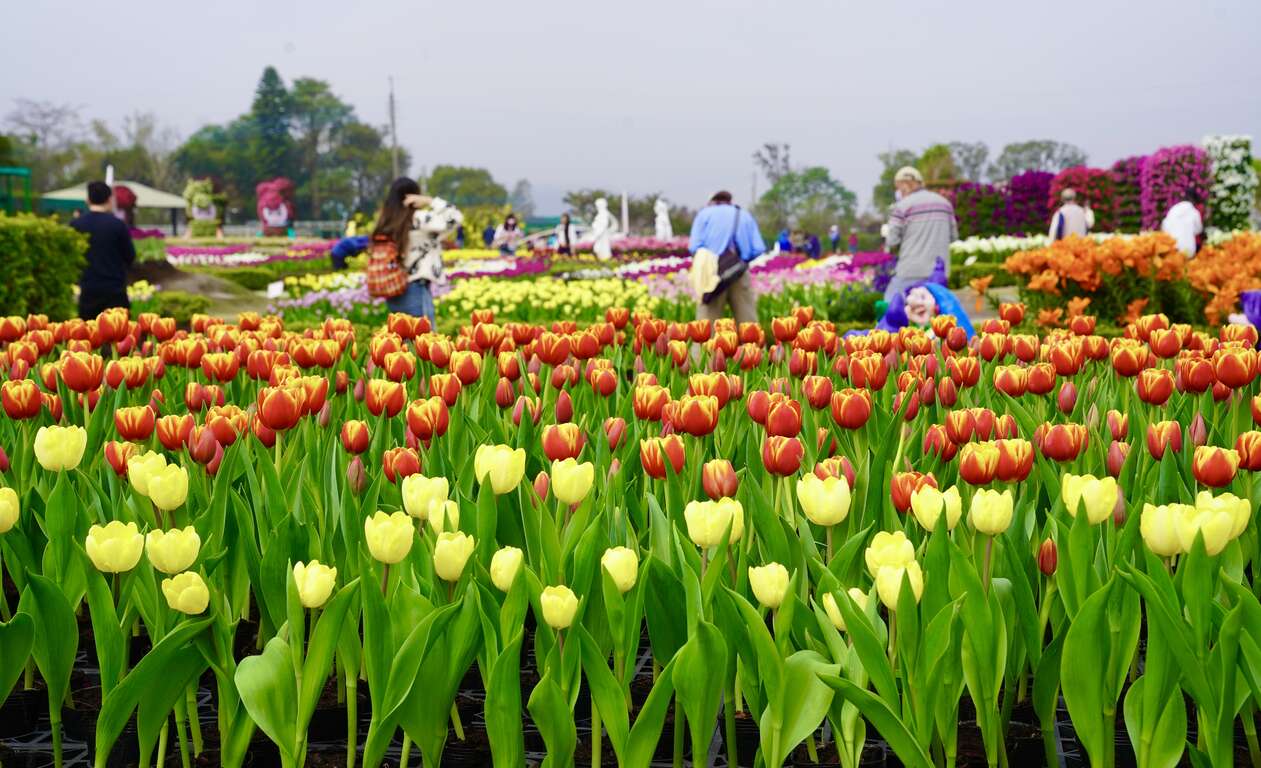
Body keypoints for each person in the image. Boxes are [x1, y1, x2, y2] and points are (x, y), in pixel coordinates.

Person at [371, 178, 463, 327]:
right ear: (413, 196)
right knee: (422, 343)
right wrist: (429, 200)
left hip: (393, 285)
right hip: (414, 287)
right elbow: (455, 217)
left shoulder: (386, 220)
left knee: (403, 342)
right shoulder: (418, 219)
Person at [688, 190, 766, 324]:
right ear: (730, 201)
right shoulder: (744, 215)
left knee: (707, 324)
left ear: (712, 201)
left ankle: (706, 346)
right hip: (739, 271)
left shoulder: (704, 214)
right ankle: (752, 345)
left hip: (712, 274)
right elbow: (758, 248)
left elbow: (694, 247)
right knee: (747, 321)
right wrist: (738, 261)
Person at [883, 166, 957, 303]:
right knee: (936, 316)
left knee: (889, 309)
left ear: (903, 186)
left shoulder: (901, 206)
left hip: (910, 270)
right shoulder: (945, 204)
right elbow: (953, 237)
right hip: (940, 272)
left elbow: (892, 241)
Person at [70, 181, 136, 319]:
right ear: (109, 199)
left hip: (88, 290)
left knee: (88, 337)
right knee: (118, 334)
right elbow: (130, 256)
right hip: (114, 291)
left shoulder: (76, 225)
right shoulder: (118, 225)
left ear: (88, 200)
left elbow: (71, 258)